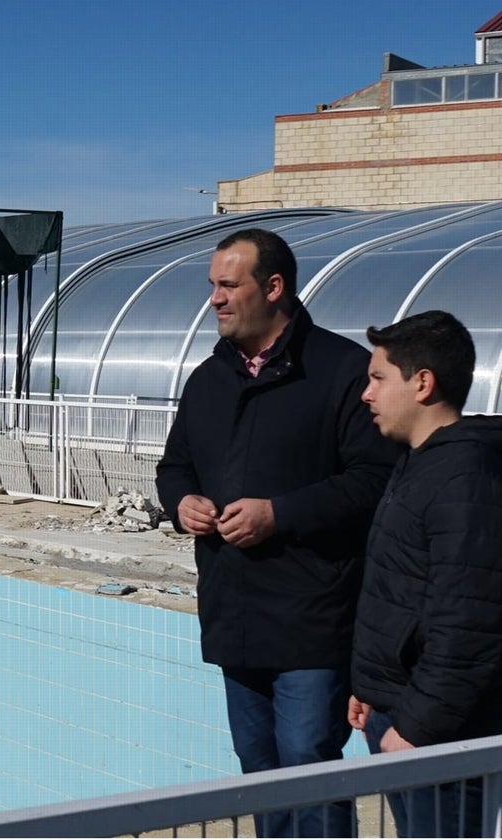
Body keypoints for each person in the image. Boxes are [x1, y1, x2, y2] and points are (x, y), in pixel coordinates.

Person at [156, 228, 400, 837]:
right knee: (260, 770)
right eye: (211, 285)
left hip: (313, 617)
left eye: (227, 285)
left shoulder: (341, 372)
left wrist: (278, 514)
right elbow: (174, 465)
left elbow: (375, 480)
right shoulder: (209, 379)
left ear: (273, 287)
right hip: (235, 614)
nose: (214, 298)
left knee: (307, 764)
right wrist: (181, 500)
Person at [348, 310, 502, 838]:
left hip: (434, 736)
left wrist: (414, 729)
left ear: (423, 383)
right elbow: (401, 590)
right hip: (397, 711)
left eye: (377, 378)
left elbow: (470, 626)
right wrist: (370, 684)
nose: (366, 394)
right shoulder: (418, 462)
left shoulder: (462, 479)